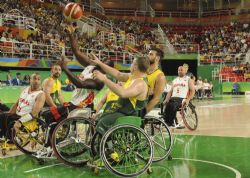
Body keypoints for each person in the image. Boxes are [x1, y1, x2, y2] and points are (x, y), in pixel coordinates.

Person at [92, 56, 150, 135]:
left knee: (104, 120)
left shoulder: (140, 83)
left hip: (128, 115)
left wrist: (105, 79)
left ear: (135, 67)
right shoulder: (133, 77)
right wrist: (99, 63)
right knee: (102, 116)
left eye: (132, 63)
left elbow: (123, 93)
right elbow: (118, 74)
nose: (131, 65)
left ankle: (103, 145)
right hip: (122, 112)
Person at [0, 73, 45, 141]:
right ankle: (5, 136)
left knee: (8, 118)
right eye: (34, 78)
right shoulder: (25, 89)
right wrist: (8, 113)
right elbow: (17, 103)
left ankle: (13, 139)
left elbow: (34, 113)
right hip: (17, 115)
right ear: (30, 80)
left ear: (40, 81)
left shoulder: (41, 94)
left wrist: (20, 121)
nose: (36, 81)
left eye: (38, 79)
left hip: (27, 120)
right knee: (3, 116)